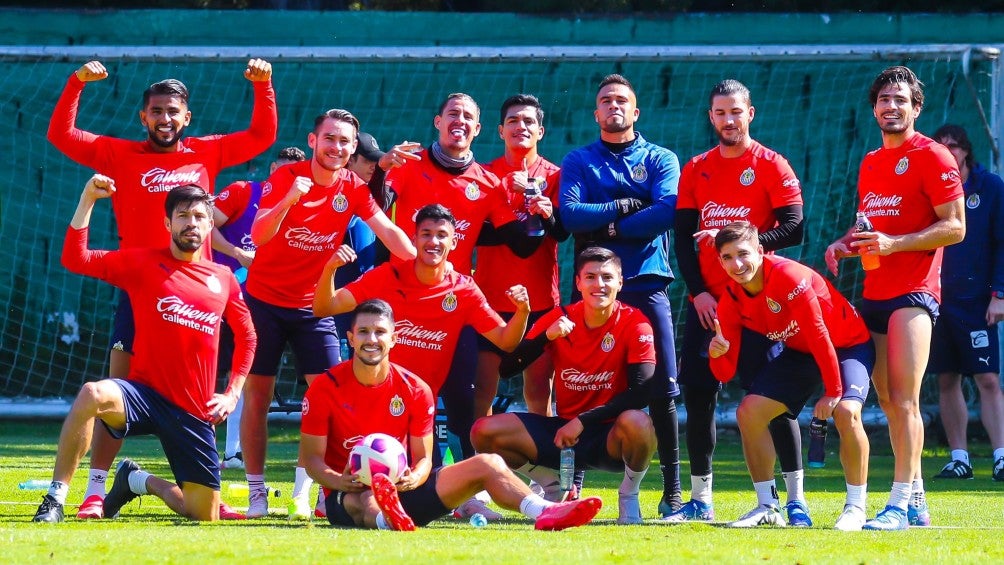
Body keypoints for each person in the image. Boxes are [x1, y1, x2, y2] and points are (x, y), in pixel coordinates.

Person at [47, 58, 277, 520]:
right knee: (116, 388)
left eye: (173, 111)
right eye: (156, 111)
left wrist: (263, 85)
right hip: (137, 284)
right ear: (143, 117)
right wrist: (76, 83)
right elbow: (62, 136)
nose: (165, 119)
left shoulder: (205, 152)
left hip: (195, 294)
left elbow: (261, 138)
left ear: (186, 117)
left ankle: (188, 482)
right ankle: (94, 489)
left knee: (198, 387)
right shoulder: (119, 154)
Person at [32, 175, 256, 523]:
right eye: (182, 216)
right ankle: (55, 499)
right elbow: (75, 259)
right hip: (142, 395)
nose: (191, 223)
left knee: (203, 515)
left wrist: (231, 394)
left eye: (199, 216)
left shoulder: (223, 278)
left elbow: (248, 337)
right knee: (92, 393)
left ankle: (136, 480)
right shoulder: (142, 262)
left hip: (193, 409)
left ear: (210, 223)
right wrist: (87, 199)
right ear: (168, 223)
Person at [241, 109, 416, 520]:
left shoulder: (354, 187)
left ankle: (318, 493)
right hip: (263, 302)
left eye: (345, 142)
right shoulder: (287, 178)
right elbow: (259, 234)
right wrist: (290, 199)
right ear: (313, 140)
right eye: (330, 139)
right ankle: (256, 493)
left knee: (331, 397)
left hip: (312, 307)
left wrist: (425, 262)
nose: (337, 148)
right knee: (258, 398)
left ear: (353, 148)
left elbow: (388, 231)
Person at [300, 298, 602, 531]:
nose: (371, 339)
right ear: (350, 339)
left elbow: (424, 459)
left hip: (406, 491)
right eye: (363, 332)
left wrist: (412, 478)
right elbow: (313, 459)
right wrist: (340, 481)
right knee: (366, 499)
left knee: (489, 462)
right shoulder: (325, 388)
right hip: (347, 495)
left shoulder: (414, 388)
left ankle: (547, 512)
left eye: (380, 332)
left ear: (393, 339)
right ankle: (387, 522)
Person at [313, 203, 531, 520]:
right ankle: (368, 511)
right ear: (414, 239)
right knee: (368, 490)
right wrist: (329, 270)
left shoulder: (463, 290)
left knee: (483, 464)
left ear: (455, 241)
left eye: (442, 235)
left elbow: (506, 340)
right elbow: (325, 306)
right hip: (370, 416)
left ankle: (547, 511)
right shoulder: (386, 277)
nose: (434, 242)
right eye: (426, 234)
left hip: (416, 417)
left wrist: (523, 311)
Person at [825, 65, 965, 530]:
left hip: (915, 293)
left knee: (904, 398)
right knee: (886, 398)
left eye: (900, 99)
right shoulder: (870, 161)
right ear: (874, 109)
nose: (891, 106)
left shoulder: (935, 155)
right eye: (884, 99)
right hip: (874, 292)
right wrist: (846, 243)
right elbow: (870, 225)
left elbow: (956, 226)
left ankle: (898, 505)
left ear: (916, 107)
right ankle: (918, 496)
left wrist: (893, 245)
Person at [669, 79, 808, 525]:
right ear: (711, 117)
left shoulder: (772, 164)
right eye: (720, 113)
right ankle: (700, 498)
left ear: (751, 113)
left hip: (757, 304)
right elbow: (683, 240)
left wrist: (740, 243)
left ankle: (795, 500)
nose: (729, 120)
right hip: (708, 304)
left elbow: (794, 227)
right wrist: (700, 293)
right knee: (700, 395)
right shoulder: (696, 168)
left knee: (771, 399)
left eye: (736, 112)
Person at [382, 93, 545, 468]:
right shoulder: (407, 165)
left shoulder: (487, 183)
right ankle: (400, 472)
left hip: (453, 303)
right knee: (394, 392)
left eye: (468, 116)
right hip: (401, 299)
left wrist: (537, 209)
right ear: (437, 121)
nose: (459, 121)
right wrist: (379, 168)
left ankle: (466, 483)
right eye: (452, 113)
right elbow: (372, 208)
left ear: (479, 128)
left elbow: (520, 244)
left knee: (462, 395)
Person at [558, 73, 681, 515]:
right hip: (591, 294)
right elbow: (570, 215)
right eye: (606, 100)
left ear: (636, 111)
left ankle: (673, 492)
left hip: (646, 283)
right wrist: (623, 208)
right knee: (579, 384)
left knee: (662, 388)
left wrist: (607, 227)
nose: (614, 106)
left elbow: (666, 210)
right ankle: (573, 483)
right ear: (596, 113)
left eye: (622, 101)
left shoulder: (661, 158)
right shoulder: (579, 160)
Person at [472, 247, 658, 525]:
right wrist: (546, 336)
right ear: (578, 283)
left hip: (609, 438)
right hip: (563, 435)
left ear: (620, 282)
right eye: (591, 277)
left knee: (639, 422)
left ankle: (629, 495)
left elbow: (642, 391)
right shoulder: (561, 317)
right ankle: (552, 484)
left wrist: (582, 421)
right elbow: (507, 369)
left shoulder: (636, 323)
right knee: (483, 431)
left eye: (607, 277)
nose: (600, 285)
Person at [708, 222, 875, 530]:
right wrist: (718, 353)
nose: (737, 264)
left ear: (760, 251)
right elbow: (725, 371)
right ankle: (768, 506)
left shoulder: (789, 276)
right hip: (802, 352)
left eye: (743, 254)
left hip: (847, 345)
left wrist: (833, 390)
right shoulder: (730, 297)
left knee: (847, 411)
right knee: (748, 412)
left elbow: (819, 333)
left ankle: (856, 508)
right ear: (719, 261)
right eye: (728, 257)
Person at [211, 146, 307, 470]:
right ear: (271, 169)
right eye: (282, 170)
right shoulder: (243, 191)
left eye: (296, 172)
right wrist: (237, 253)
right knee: (214, 373)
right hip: (221, 297)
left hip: (267, 304)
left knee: (247, 375)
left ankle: (233, 452)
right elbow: (202, 226)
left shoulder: (306, 207)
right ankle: (207, 449)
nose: (288, 178)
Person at [476, 94, 568, 418]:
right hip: (488, 298)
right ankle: (479, 461)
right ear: (500, 130)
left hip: (541, 297)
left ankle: (540, 461)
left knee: (539, 388)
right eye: (513, 120)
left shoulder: (556, 176)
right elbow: (473, 233)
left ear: (540, 131)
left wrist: (544, 208)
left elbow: (562, 232)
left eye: (529, 121)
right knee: (483, 390)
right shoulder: (484, 176)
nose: (521, 126)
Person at [928, 124, 1004, 482]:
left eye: (954, 146)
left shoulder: (990, 188)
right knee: (946, 378)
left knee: (987, 378)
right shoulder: (927, 186)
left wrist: (999, 294)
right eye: (940, 147)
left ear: (966, 151)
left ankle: (1001, 456)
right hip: (937, 299)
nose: (948, 152)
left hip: (977, 301)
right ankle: (959, 459)